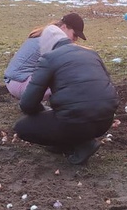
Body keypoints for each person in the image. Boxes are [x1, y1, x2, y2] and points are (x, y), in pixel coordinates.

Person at [14, 25, 118, 164]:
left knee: (22, 128)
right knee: (66, 116)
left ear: (46, 45)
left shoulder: (49, 59)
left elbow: (27, 104)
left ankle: (82, 144)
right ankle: (68, 142)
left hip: (75, 122)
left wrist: (42, 112)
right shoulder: (91, 53)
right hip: (105, 120)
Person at [3, 13, 87, 100]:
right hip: (20, 83)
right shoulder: (51, 42)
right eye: (75, 35)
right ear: (64, 27)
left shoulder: (47, 35)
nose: (76, 39)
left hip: (14, 82)